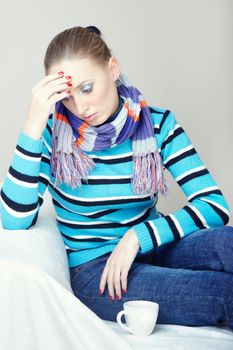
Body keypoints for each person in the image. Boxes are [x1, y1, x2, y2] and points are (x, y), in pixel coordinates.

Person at [0, 25, 233, 331]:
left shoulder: (159, 123)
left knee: (228, 243)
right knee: (222, 293)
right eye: (66, 98)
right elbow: (13, 221)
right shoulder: (51, 136)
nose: (80, 107)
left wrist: (137, 236)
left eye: (86, 88)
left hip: (151, 246)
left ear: (112, 68)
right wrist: (32, 123)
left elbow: (216, 206)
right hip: (96, 270)